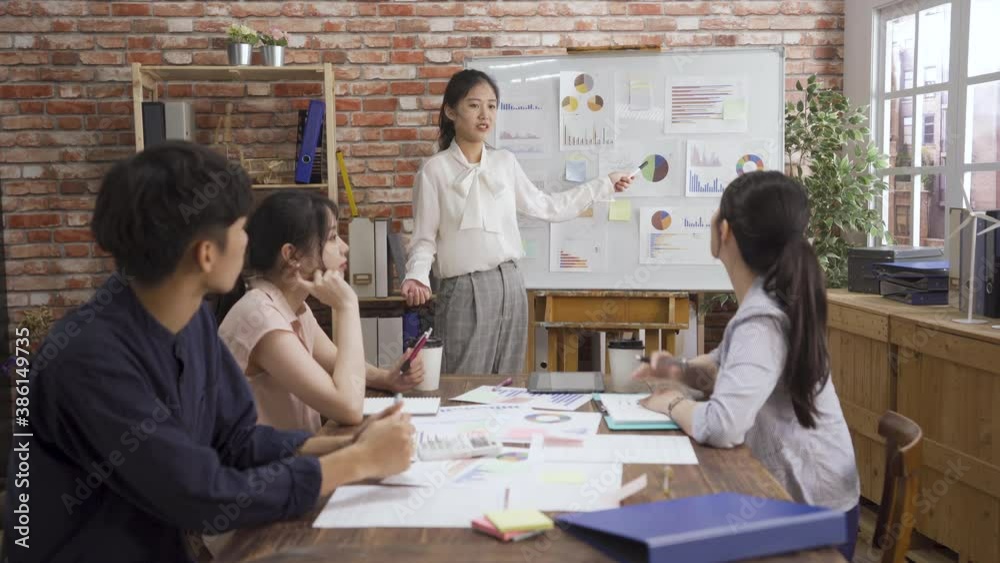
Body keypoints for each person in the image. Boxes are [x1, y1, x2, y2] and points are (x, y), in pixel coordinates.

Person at [4, 142, 414, 563]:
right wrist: (358, 462)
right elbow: (200, 495)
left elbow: (237, 440)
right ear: (206, 253)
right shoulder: (88, 361)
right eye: (241, 229)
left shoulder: (192, 319)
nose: (249, 242)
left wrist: (343, 445)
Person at [633, 170, 860, 560]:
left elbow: (723, 426)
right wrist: (675, 369)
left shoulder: (761, 320)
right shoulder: (768, 300)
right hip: (813, 503)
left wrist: (671, 403)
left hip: (812, 520)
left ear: (725, 232)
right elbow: (725, 368)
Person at [401, 69, 633, 374]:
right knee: (462, 379)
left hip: (510, 285)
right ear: (450, 111)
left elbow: (548, 206)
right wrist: (417, 275)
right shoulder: (434, 171)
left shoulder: (504, 162)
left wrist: (604, 184)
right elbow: (424, 238)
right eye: (473, 105)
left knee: (507, 382)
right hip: (464, 290)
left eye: (492, 106)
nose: (485, 115)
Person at [217, 190, 425, 432]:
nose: (345, 247)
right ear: (291, 255)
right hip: (276, 456)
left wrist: (387, 378)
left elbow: (335, 363)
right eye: (333, 237)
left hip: (304, 449)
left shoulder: (293, 307)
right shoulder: (262, 317)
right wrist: (347, 306)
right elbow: (349, 407)